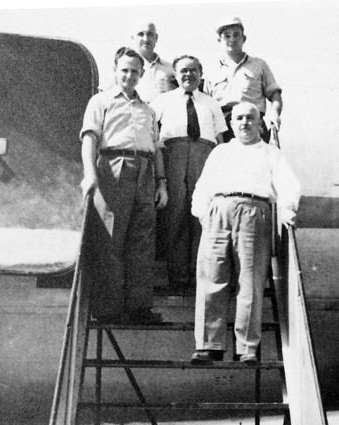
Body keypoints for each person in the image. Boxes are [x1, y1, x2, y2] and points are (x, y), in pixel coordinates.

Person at [190, 102, 300, 363]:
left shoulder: (271, 154)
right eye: (239, 118)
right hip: (218, 212)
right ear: (231, 124)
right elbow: (202, 186)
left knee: (249, 282)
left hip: (254, 212)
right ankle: (208, 345)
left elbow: (288, 185)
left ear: (260, 123)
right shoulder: (220, 152)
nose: (244, 123)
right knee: (211, 276)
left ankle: (247, 348)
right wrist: (204, 214)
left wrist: (287, 212)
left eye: (250, 118)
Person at [80, 47, 168, 324]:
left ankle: (139, 307)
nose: (129, 75)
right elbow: (89, 140)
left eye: (135, 71)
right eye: (124, 70)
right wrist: (90, 174)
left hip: (145, 170)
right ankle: (109, 308)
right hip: (113, 167)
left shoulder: (148, 109)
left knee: (141, 240)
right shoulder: (101, 101)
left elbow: (156, 148)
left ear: (142, 74)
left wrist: (162, 183)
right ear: (116, 71)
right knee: (110, 237)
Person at [150, 55, 228, 292]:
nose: (188, 75)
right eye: (183, 70)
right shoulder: (161, 101)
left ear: (201, 73)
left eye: (194, 70)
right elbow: (153, 136)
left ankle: (199, 277)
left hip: (204, 156)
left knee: (201, 216)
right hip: (173, 155)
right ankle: (178, 278)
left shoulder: (211, 103)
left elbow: (221, 139)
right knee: (175, 215)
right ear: (175, 74)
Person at [203, 16, 282, 143]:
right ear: (219, 40)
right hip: (223, 129)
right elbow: (206, 104)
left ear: (243, 38)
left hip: (254, 124)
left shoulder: (259, 65)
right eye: (227, 36)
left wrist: (275, 114)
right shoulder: (211, 71)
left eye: (236, 35)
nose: (232, 39)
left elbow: (275, 95)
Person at [130, 20, 176, 102]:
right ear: (133, 38)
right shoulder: (124, 68)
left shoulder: (170, 68)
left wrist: (172, 89)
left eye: (150, 34)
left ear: (156, 38)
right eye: (141, 34)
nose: (146, 39)